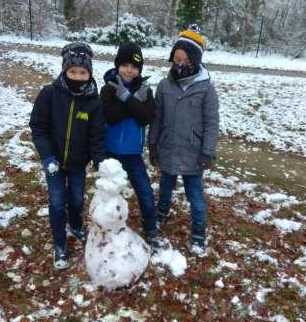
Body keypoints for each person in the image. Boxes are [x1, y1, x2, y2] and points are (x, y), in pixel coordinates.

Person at [29, 42, 106, 269]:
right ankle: (60, 244)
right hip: (53, 161)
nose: (78, 76)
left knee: (76, 198)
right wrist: (47, 156)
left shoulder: (93, 102)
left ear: (89, 73)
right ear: (65, 70)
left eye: (83, 72)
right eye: (73, 71)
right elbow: (39, 128)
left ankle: (76, 224)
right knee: (57, 200)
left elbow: (97, 137)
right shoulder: (50, 94)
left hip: (77, 164)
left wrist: (100, 162)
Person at [148, 25, 219, 254]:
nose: (179, 64)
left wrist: (207, 152)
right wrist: (152, 143)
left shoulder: (206, 89)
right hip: (168, 148)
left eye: (184, 60)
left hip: (193, 152)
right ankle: (161, 212)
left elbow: (211, 123)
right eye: (176, 59)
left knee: (195, 194)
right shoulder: (164, 85)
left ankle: (198, 231)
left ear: (195, 60)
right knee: (166, 185)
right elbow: (157, 118)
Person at [100, 42, 159, 248]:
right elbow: (111, 116)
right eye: (124, 65)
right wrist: (133, 102)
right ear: (118, 65)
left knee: (144, 191)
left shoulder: (145, 90)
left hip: (133, 154)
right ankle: (107, 227)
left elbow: (146, 118)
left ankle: (151, 227)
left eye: (134, 67)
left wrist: (127, 99)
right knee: (109, 193)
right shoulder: (107, 89)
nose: (129, 70)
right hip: (111, 153)